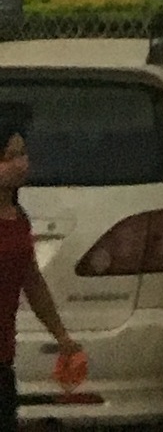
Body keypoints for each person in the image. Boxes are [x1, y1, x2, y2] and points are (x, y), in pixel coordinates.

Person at [0, 109, 86, 432]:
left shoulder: (17, 216)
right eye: (10, 157)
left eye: (23, 154)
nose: (21, 164)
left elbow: (31, 281)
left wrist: (62, 336)